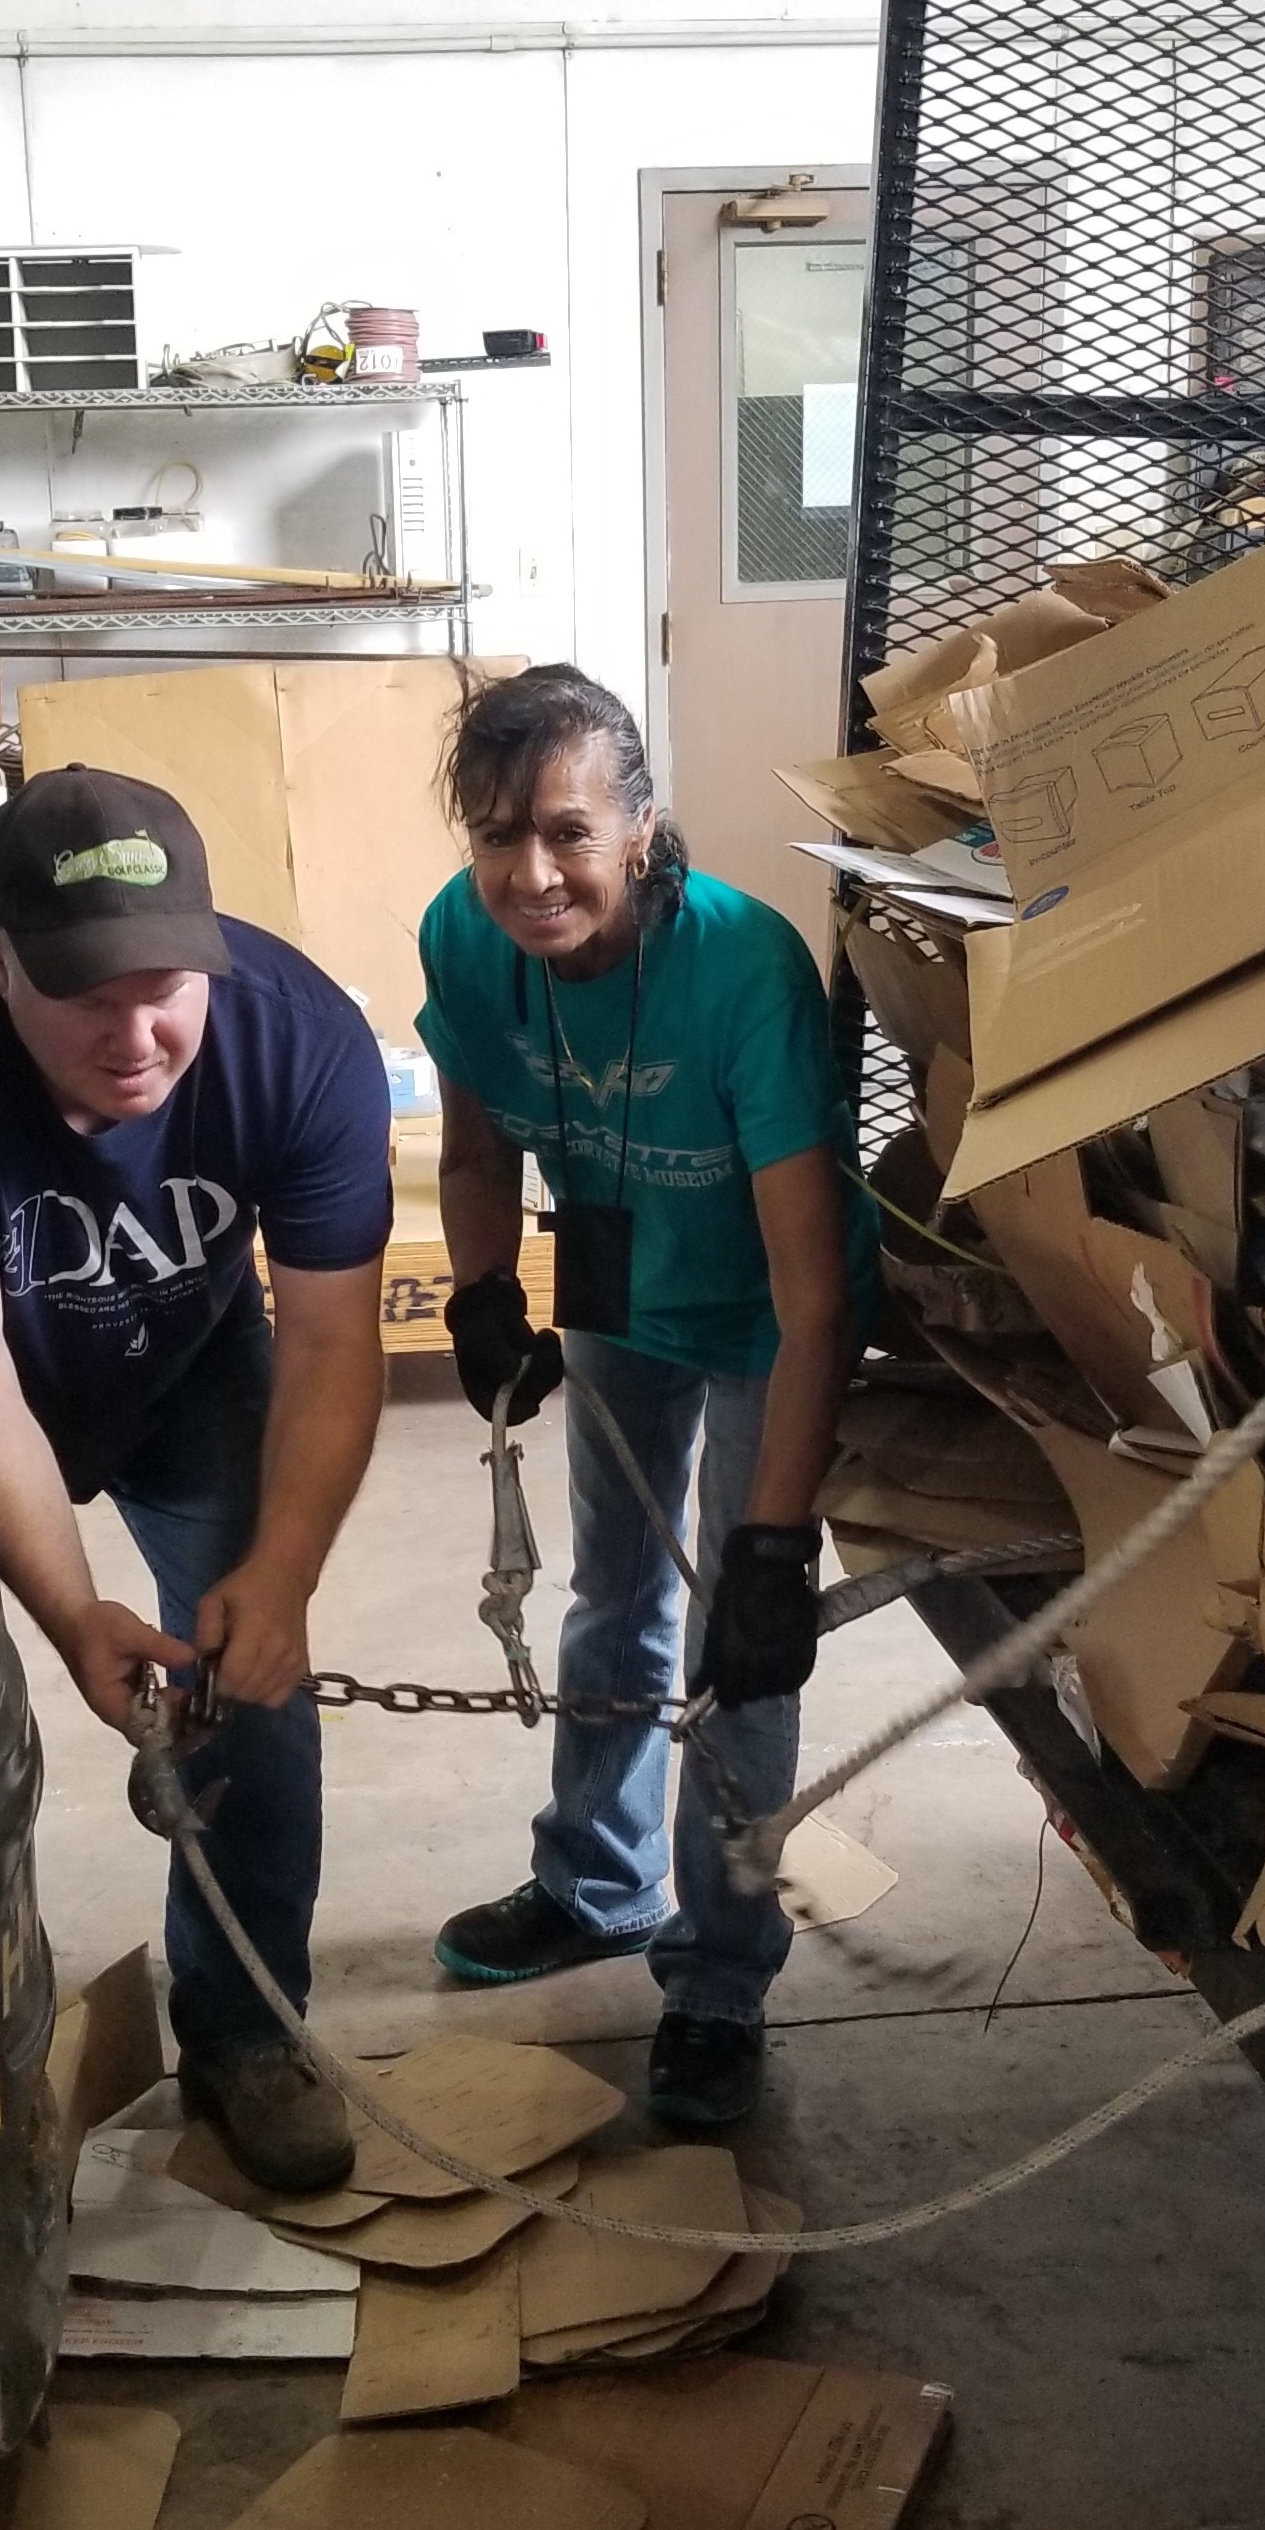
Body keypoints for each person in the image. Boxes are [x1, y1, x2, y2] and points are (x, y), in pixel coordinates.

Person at [0, 765, 390, 2194]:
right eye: (87, 997)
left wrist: (278, 1576)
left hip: (184, 1354)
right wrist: (69, 1613)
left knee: (257, 1686)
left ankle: (243, 2031)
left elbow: (336, 1334)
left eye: (167, 986)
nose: (138, 1034)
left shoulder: (299, 1045)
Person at [420, 666, 872, 2134]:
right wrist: (488, 1289)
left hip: (757, 1315)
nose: (528, 873)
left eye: (565, 832)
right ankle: (595, 1882)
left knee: (744, 1655)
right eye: (496, 834)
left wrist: (775, 1545)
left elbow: (817, 1295)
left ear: (641, 826)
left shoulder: (742, 971)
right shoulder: (463, 938)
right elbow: (482, 1151)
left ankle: (720, 1976)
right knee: (613, 1597)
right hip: (620, 1289)